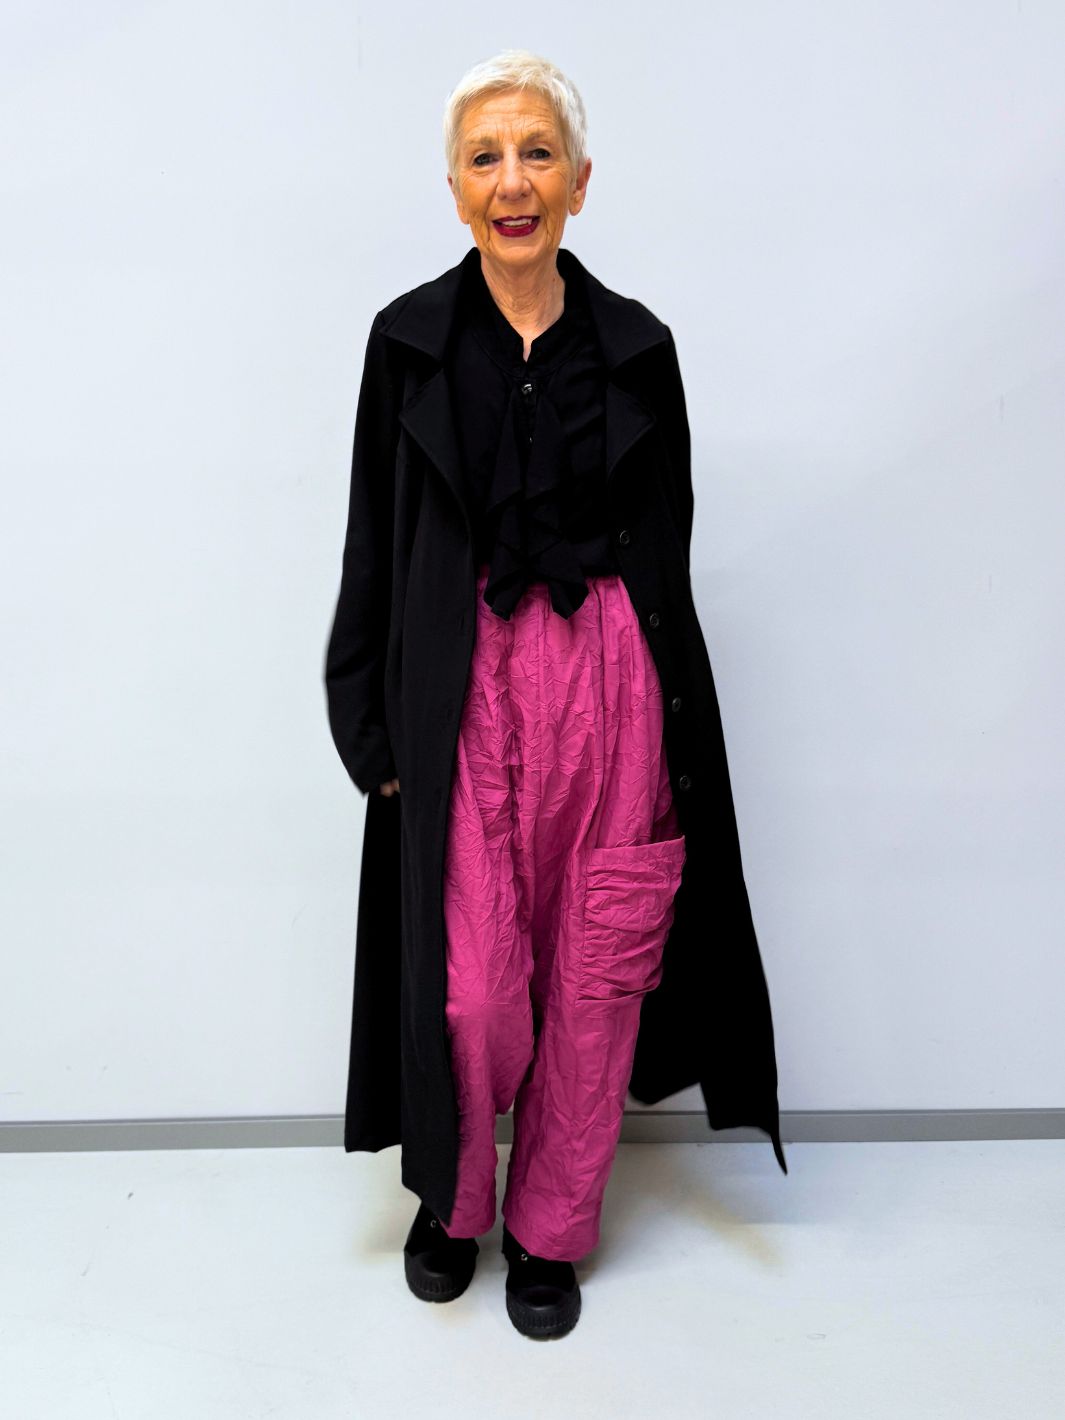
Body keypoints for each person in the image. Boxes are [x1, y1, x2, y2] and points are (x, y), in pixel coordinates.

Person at [324, 48, 787, 1342]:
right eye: (486, 157)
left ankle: (548, 1228)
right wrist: (364, 714)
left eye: (538, 154)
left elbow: (667, 551)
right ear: (455, 188)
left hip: (609, 685)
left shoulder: (639, 351)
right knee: (473, 983)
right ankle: (455, 1198)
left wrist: (665, 720)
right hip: (461, 685)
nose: (512, 180)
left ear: (580, 183)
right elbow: (372, 537)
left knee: (596, 975)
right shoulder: (406, 346)